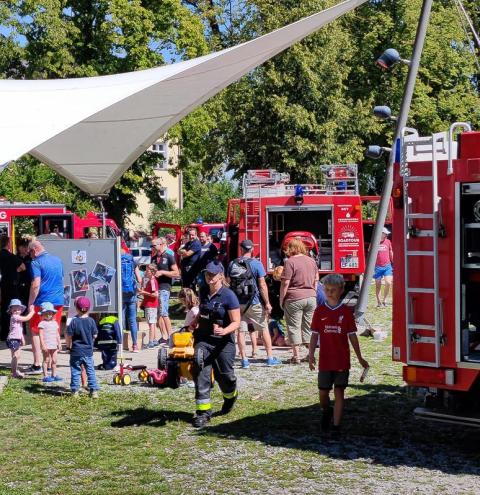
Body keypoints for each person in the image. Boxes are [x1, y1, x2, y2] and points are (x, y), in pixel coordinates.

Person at [308, 274, 369, 437]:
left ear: (341, 290)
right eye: (326, 290)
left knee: (339, 392)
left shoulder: (346, 312)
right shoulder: (319, 311)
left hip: (342, 360)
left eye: (333, 290)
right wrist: (311, 353)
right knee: (322, 393)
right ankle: (326, 411)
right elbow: (314, 335)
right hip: (325, 361)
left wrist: (360, 357)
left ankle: (336, 427)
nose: (329, 293)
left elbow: (352, 336)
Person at [191, 261, 241, 428]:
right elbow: (202, 310)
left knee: (225, 377)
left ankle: (230, 395)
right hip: (203, 340)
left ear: (221, 275)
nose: (209, 277)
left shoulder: (229, 295)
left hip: (223, 343)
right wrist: (195, 321)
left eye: (212, 274)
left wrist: (225, 331)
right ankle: (203, 413)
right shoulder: (203, 291)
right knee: (201, 373)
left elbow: (236, 322)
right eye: (207, 274)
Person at [227, 239, 281, 368]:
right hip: (254, 301)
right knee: (263, 328)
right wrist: (267, 302)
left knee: (241, 331)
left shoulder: (232, 264)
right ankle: (269, 358)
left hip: (237, 302)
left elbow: (228, 282)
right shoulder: (257, 264)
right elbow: (262, 285)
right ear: (251, 250)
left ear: (241, 249)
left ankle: (244, 360)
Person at [280, 238, 319, 364]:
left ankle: (296, 357)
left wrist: (282, 298)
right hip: (311, 297)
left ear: (291, 249)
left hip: (294, 297)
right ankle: (310, 355)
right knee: (309, 326)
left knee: (293, 327)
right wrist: (313, 292)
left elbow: (285, 282)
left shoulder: (290, 262)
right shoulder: (311, 261)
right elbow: (316, 279)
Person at [28, 240, 64, 373]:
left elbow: (36, 284)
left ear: (34, 250)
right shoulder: (58, 260)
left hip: (42, 302)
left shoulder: (36, 262)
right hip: (58, 301)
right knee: (53, 329)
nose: (29, 256)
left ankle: (38, 364)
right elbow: (61, 278)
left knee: (36, 330)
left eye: (29, 253)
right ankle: (52, 363)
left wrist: (30, 303)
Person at [65, 296, 100, 398]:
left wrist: (68, 347)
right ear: (88, 308)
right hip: (88, 352)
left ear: (76, 308)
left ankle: (75, 391)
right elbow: (95, 335)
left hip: (76, 351)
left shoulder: (74, 321)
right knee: (90, 371)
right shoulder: (91, 321)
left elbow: (68, 335)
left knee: (75, 370)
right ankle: (94, 391)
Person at [151, 237, 179, 344]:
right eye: (151, 246)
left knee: (164, 313)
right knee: (158, 314)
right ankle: (164, 337)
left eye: (154, 246)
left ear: (161, 245)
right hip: (155, 289)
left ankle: (171, 337)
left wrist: (162, 272)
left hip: (164, 287)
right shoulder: (153, 258)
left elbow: (176, 273)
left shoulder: (169, 256)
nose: (152, 248)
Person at [0, 235, 24, 340]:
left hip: (2, 285)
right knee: (13, 307)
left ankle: (3, 334)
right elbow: (23, 267)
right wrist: (15, 271)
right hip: (12, 285)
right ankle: (12, 331)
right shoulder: (11, 256)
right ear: (8, 244)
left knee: (3, 308)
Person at [6, 299, 34, 378]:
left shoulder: (17, 318)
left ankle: (14, 370)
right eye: (14, 310)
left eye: (18, 309)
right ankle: (14, 373)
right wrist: (32, 312)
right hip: (13, 339)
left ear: (21, 310)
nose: (17, 311)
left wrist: (22, 338)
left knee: (15, 356)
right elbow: (26, 318)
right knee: (16, 355)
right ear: (11, 310)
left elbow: (20, 329)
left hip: (15, 339)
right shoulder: (15, 317)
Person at [121, 247, 141, 352]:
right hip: (131, 293)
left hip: (120, 293)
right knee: (132, 320)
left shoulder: (116, 259)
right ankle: (135, 345)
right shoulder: (131, 260)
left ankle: (120, 345)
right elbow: (139, 278)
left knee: (122, 319)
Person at [38, 301, 62, 383]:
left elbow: (57, 334)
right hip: (46, 345)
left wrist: (59, 343)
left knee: (54, 360)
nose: (48, 315)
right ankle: (45, 376)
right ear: (42, 314)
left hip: (54, 345)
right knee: (46, 360)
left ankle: (54, 374)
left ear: (53, 313)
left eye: (50, 313)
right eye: (46, 313)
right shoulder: (42, 323)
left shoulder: (55, 323)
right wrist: (43, 345)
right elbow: (40, 336)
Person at [139, 264, 159, 348]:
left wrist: (144, 293)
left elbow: (155, 294)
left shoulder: (152, 281)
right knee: (152, 322)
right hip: (151, 304)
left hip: (151, 304)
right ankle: (154, 340)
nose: (145, 272)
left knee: (151, 323)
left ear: (152, 272)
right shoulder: (149, 280)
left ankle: (151, 341)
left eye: (147, 271)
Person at [374, 227, 394, 307]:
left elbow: (390, 251)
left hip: (387, 266)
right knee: (378, 284)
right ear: (380, 233)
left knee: (388, 282)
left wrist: (393, 260)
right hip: (377, 267)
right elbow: (370, 252)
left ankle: (384, 300)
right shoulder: (375, 242)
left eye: (386, 234)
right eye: (385, 233)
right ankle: (379, 302)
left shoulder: (388, 241)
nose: (386, 235)